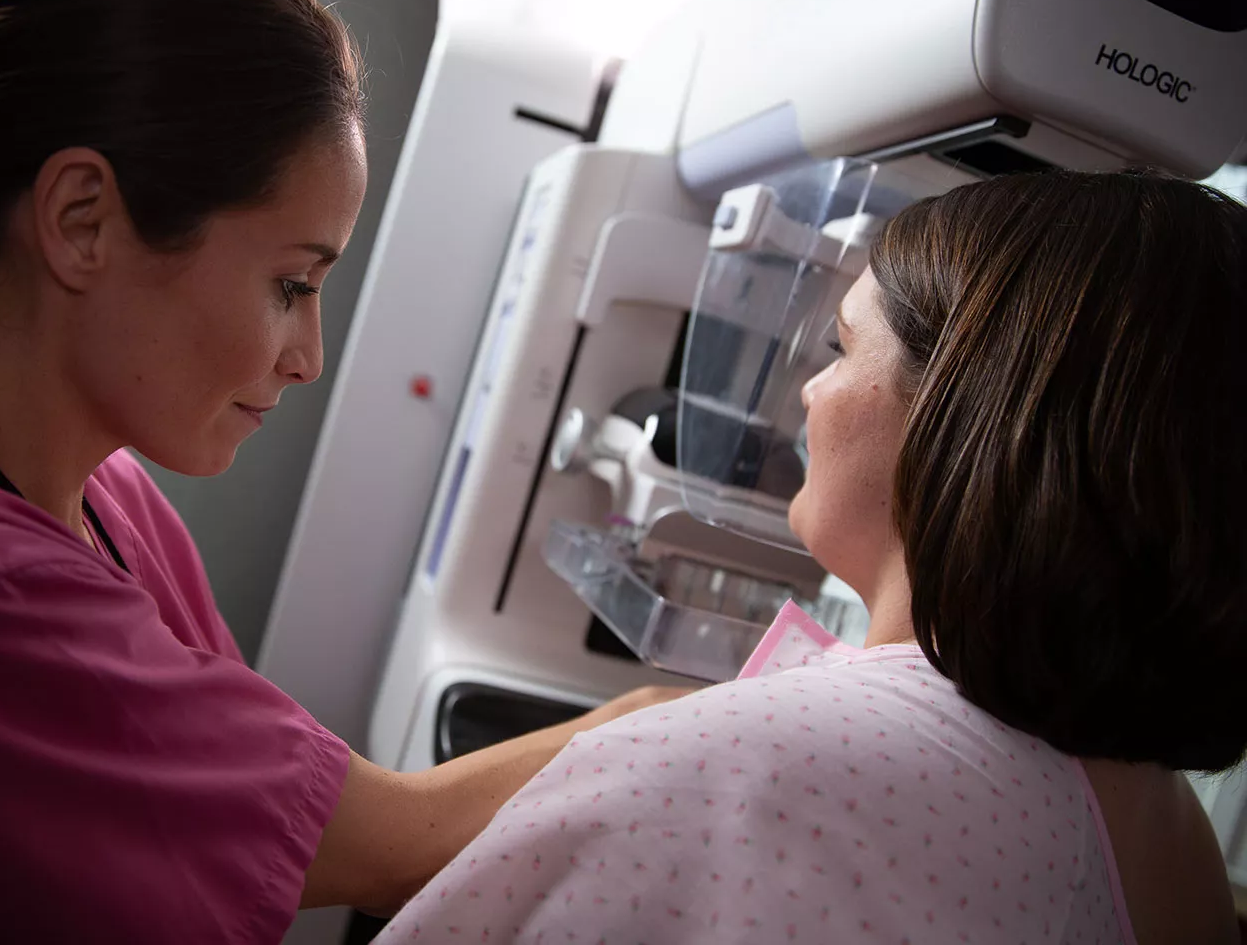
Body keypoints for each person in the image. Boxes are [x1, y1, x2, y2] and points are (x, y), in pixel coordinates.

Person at [0, 0, 683, 940]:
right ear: (81, 220)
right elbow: (396, 844)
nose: (307, 354)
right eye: (290, 283)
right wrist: (681, 730)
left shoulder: (108, 497)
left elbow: (309, 814)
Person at [374, 168, 1247, 945]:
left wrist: (676, 742)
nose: (812, 389)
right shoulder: (1176, 841)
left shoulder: (752, 771)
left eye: (841, 347)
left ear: (963, 414)